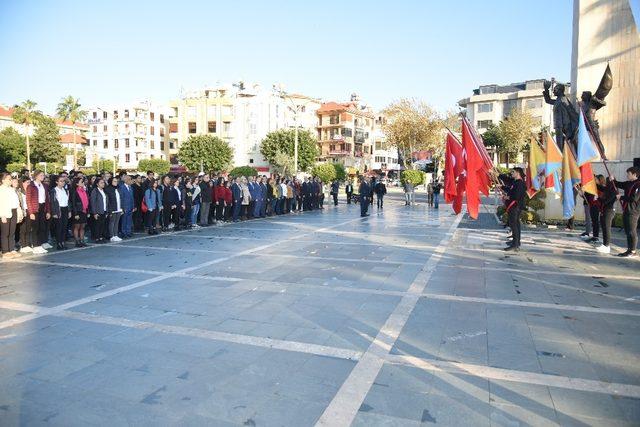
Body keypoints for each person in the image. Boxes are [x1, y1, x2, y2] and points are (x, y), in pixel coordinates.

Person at [613, 167, 640, 258]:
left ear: (634, 174)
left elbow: (634, 199)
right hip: (626, 210)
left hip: (633, 211)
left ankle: (633, 251)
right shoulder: (628, 183)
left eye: (628, 174)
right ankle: (629, 249)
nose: (627, 175)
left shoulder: (638, 185)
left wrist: (621, 197)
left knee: (632, 231)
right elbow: (618, 184)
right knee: (627, 231)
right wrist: (613, 179)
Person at [26, 170, 51, 254]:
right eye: (41, 175)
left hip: (43, 207)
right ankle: (35, 245)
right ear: (36, 176)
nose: (43, 177)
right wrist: (31, 212)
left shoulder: (45, 186)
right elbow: (28, 200)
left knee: (42, 227)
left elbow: (47, 199)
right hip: (35, 208)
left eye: (43, 175)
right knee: (35, 228)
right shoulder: (31, 186)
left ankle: (40, 245)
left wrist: (48, 211)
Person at [504, 168, 526, 252]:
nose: (511, 173)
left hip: (515, 207)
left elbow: (517, 196)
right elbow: (511, 190)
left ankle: (515, 244)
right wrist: (502, 187)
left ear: (518, 173)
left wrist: (508, 197)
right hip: (514, 207)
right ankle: (516, 242)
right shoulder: (516, 182)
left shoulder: (520, 183)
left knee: (514, 225)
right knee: (516, 224)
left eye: (513, 172)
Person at [0, 172, 21, 259]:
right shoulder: (1, 189)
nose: (10, 181)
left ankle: (11, 249)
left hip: (13, 211)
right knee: (5, 233)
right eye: (9, 179)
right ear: (3, 180)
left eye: (11, 179)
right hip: (5, 212)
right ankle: (5, 251)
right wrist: (2, 215)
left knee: (12, 232)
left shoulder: (12, 189)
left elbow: (16, 202)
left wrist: (19, 212)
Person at [595, 176, 617, 254]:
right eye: (608, 181)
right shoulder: (608, 189)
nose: (608, 183)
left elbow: (606, 201)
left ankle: (607, 246)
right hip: (604, 210)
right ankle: (604, 244)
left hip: (609, 211)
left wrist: (598, 198)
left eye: (609, 181)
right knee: (604, 228)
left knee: (607, 228)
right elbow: (600, 187)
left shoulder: (614, 190)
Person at [50, 174, 71, 250]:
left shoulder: (65, 190)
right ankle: (59, 243)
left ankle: (62, 242)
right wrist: (54, 213)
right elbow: (53, 202)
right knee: (59, 227)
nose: (62, 183)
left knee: (64, 227)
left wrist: (69, 210)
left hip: (65, 209)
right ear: (56, 182)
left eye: (63, 181)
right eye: (61, 181)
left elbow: (67, 201)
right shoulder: (54, 190)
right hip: (59, 210)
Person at [69, 176, 89, 247]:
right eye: (81, 182)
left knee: (83, 226)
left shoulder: (84, 190)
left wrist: (87, 211)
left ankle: (82, 240)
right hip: (78, 211)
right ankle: (77, 241)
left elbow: (87, 201)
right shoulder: (74, 191)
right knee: (77, 226)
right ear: (77, 184)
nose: (83, 183)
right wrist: (75, 213)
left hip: (84, 210)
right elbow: (73, 203)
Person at [89, 177, 109, 244]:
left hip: (103, 210)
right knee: (97, 225)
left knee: (102, 225)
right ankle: (97, 238)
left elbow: (106, 201)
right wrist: (94, 213)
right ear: (97, 184)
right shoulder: (95, 191)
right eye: (101, 183)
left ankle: (101, 237)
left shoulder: (104, 191)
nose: (103, 184)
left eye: (103, 182)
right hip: (98, 211)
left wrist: (107, 211)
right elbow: (93, 202)